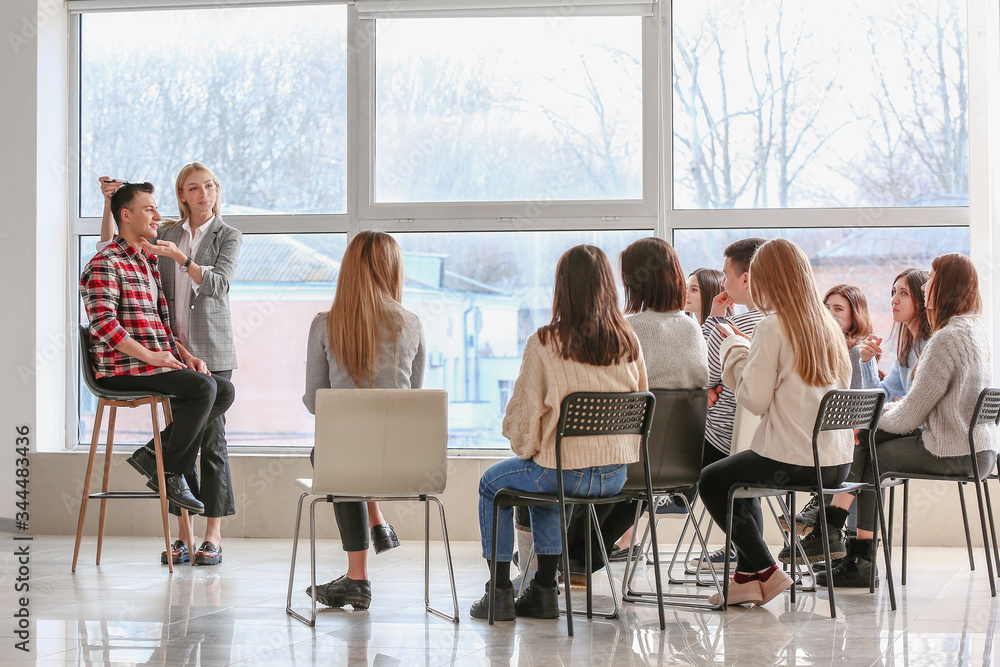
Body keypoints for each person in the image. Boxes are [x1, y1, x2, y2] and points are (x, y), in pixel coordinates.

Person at [470, 245, 648, 621]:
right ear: (607, 286)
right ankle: (543, 590)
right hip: (615, 477)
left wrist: (529, 448)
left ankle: (500, 592)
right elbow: (640, 402)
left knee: (494, 483)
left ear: (562, 288)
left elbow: (524, 421)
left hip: (564, 473)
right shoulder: (628, 341)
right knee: (544, 480)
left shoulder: (544, 343)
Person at [818, 254, 998, 588]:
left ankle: (844, 543)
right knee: (869, 441)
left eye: (932, 278)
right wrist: (877, 418)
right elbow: (904, 405)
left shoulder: (946, 338)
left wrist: (868, 421)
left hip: (953, 451)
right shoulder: (976, 330)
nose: (926, 285)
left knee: (870, 450)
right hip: (981, 451)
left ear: (945, 286)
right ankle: (834, 535)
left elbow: (910, 415)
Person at [98, 164, 243, 567]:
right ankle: (183, 536)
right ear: (182, 194)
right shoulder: (162, 232)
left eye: (210, 186)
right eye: (194, 188)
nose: (203, 194)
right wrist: (109, 202)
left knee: (211, 441)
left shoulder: (227, 236)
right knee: (186, 437)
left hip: (209, 348)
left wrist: (182, 259)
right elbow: (114, 253)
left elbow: (219, 285)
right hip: (166, 346)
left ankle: (211, 536)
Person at [697, 238, 854, 607]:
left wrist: (733, 348)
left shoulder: (773, 326)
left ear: (768, 279)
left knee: (713, 480)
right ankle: (745, 579)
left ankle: (767, 570)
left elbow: (752, 399)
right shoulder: (828, 326)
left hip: (793, 461)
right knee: (739, 472)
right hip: (835, 463)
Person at [566, 238, 709, 569]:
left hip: (623, 459)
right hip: (678, 466)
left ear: (632, 281)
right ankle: (576, 556)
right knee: (631, 485)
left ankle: (563, 555)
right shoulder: (692, 328)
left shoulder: (626, 328)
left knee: (560, 461)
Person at [301, 231, 424, 610]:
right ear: (393, 270)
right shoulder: (412, 323)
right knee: (350, 456)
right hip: (404, 461)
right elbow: (413, 399)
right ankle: (376, 519)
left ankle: (358, 575)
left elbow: (314, 401)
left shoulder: (325, 324)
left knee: (332, 456)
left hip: (347, 459)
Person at [785, 270, 931, 555]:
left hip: (925, 435)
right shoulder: (908, 348)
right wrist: (866, 361)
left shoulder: (929, 346)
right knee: (860, 441)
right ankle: (840, 539)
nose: (894, 300)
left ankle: (828, 527)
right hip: (893, 427)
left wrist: (871, 419)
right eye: (893, 292)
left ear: (923, 301)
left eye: (903, 293)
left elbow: (912, 406)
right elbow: (882, 394)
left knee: (860, 444)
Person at [686, 238, 767, 575]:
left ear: (745, 279)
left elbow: (700, 370)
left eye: (727, 275)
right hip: (752, 440)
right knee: (743, 492)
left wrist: (714, 321)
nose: (723, 283)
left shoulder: (748, 323)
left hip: (724, 440)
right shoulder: (761, 320)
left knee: (660, 464)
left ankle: (758, 566)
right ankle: (748, 568)